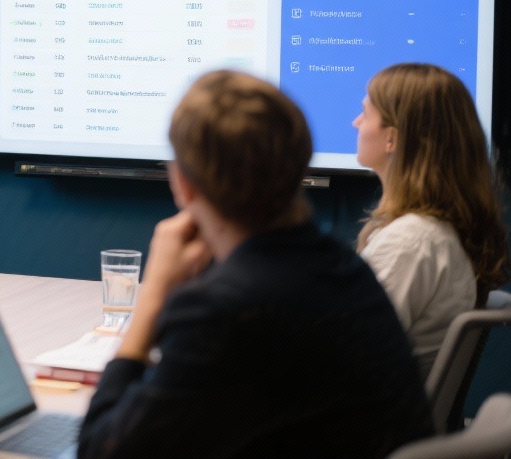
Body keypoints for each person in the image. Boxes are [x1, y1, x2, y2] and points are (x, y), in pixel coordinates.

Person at [78, 70, 433, 459]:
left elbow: (102, 451)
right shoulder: (344, 269)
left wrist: (151, 302)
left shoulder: (223, 308)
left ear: (184, 183)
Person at [353, 62, 511, 379]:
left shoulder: (411, 241)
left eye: (365, 113)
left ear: (392, 138)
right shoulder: (433, 232)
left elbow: (347, 356)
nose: (356, 122)